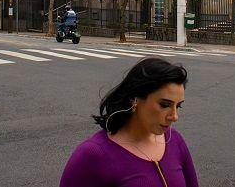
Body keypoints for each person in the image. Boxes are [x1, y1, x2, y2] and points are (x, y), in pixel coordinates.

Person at [60, 58, 198, 187]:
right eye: (164, 105)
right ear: (135, 100)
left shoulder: (175, 140)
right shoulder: (93, 155)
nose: (174, 116)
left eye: (178, 106)